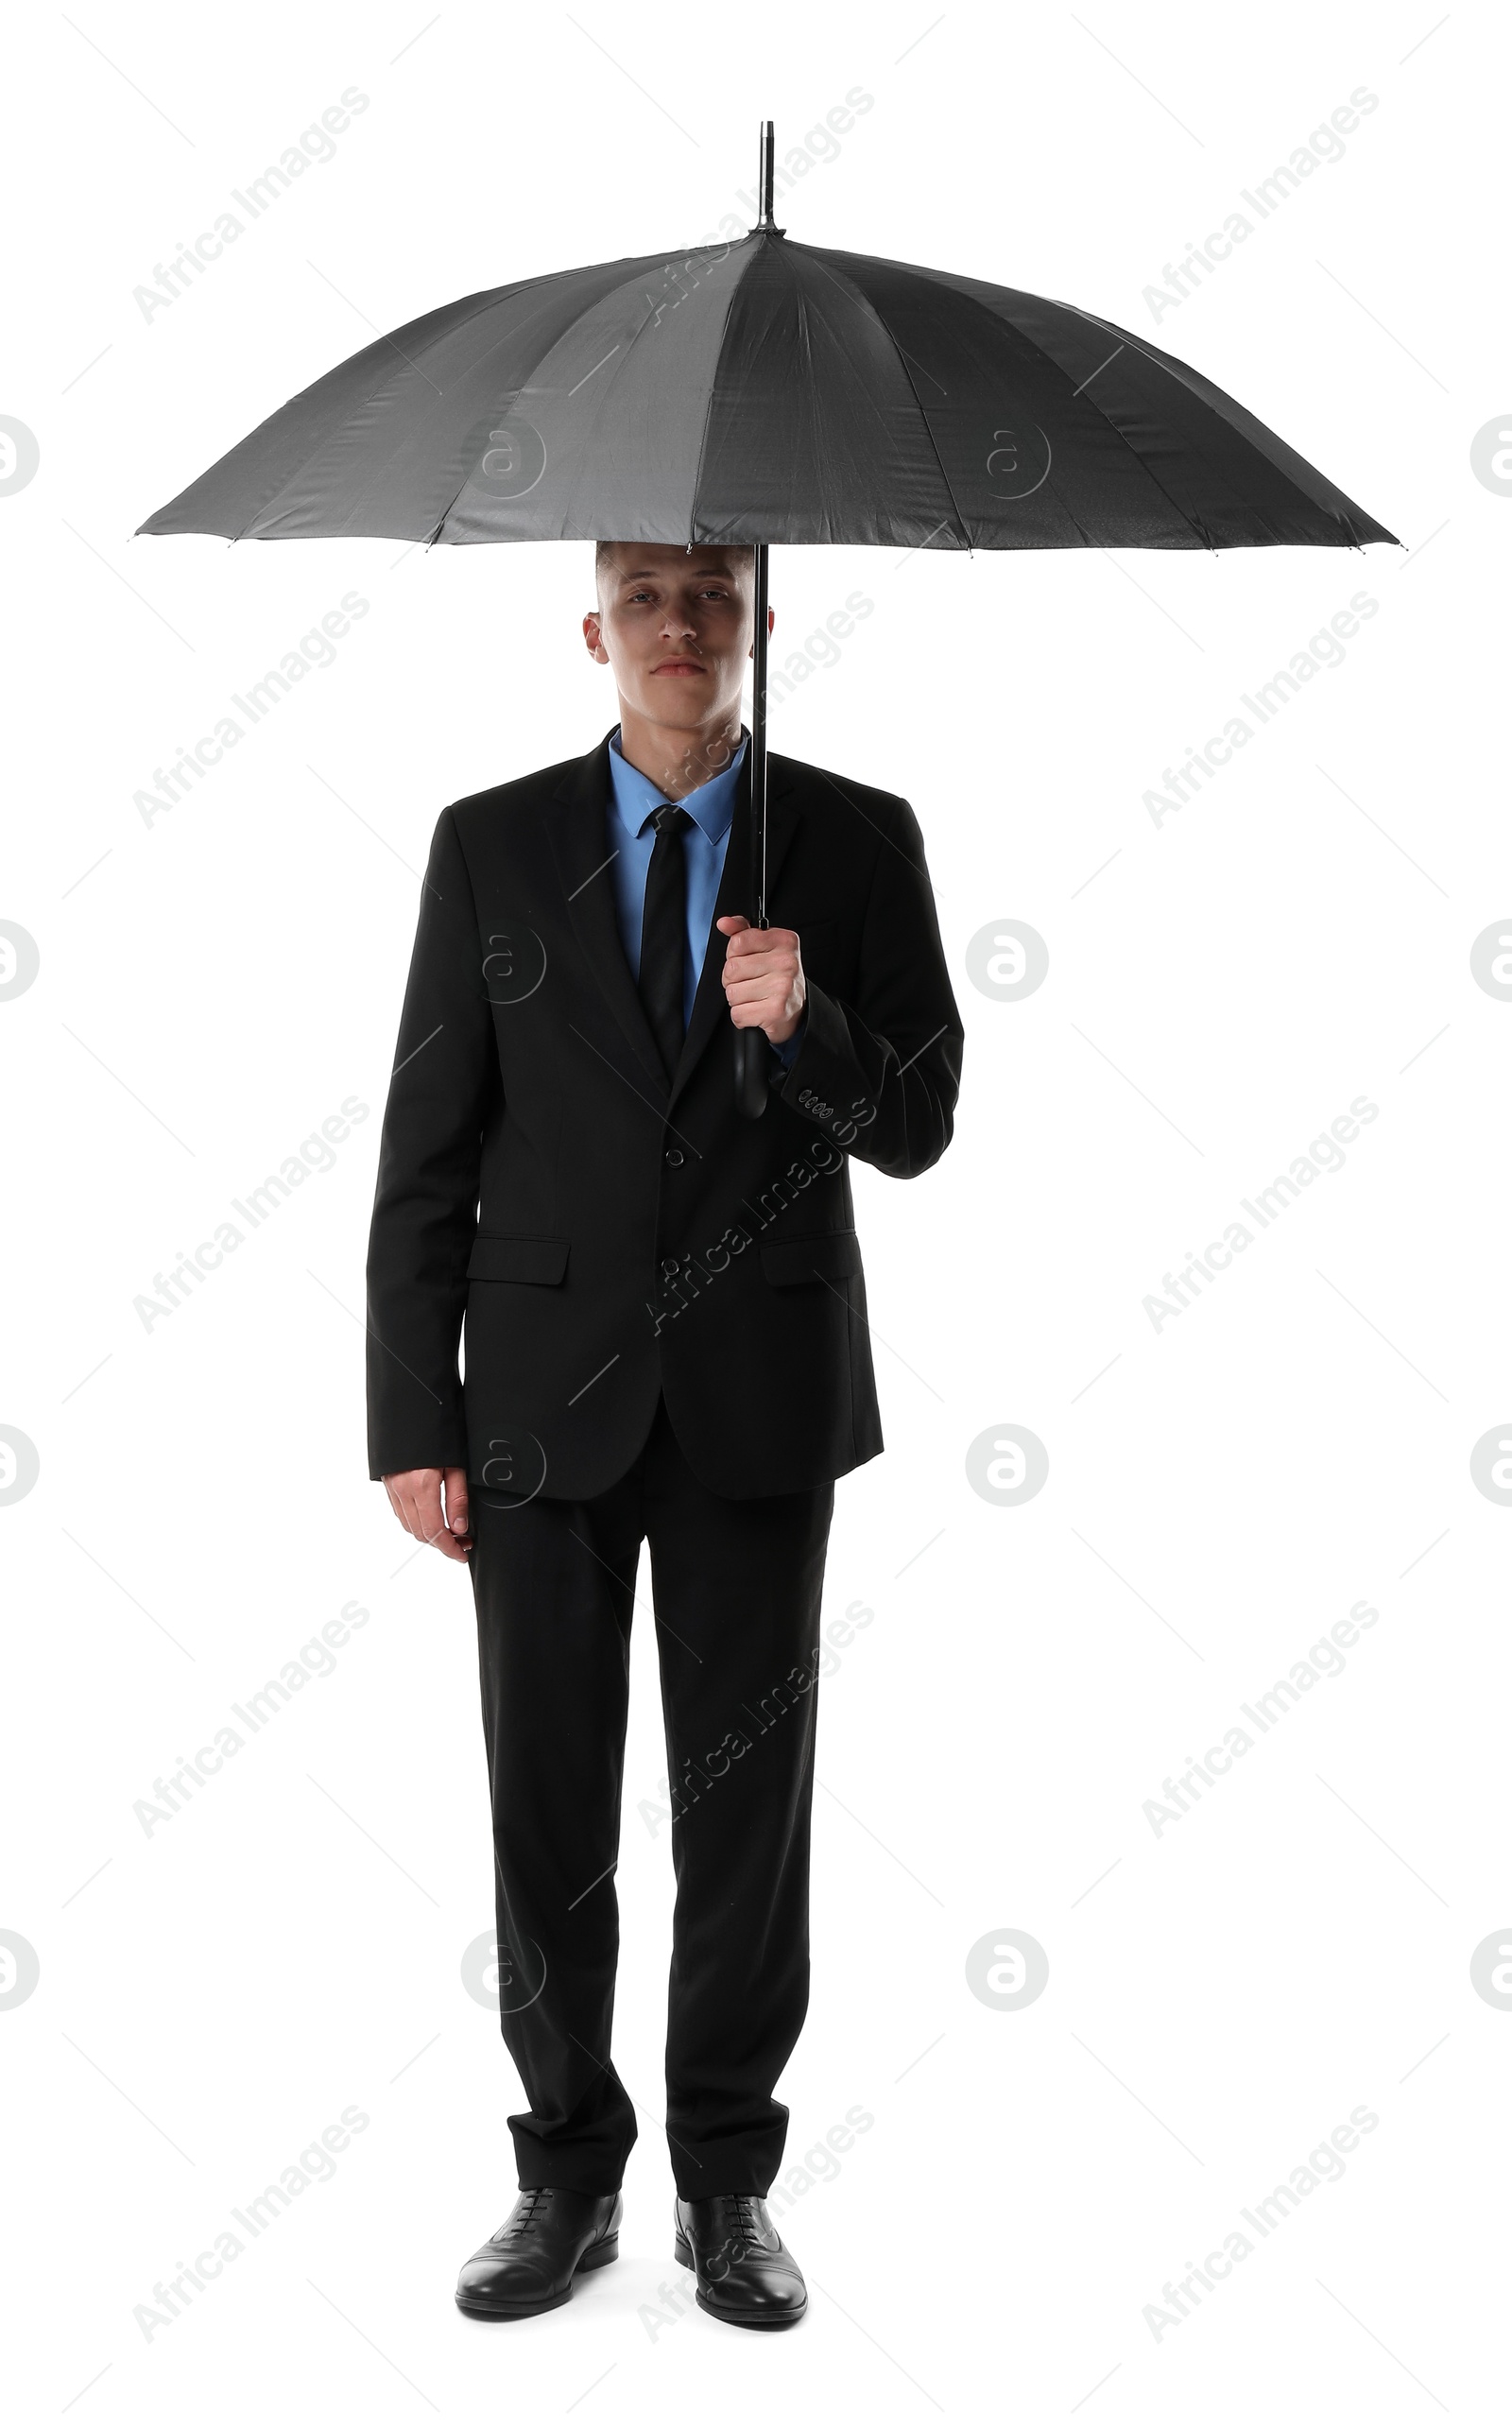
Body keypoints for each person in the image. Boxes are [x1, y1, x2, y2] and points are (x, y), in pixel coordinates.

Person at [365, 541, 963, 2328]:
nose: (681, 625)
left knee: (743, 1805)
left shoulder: (856, 841)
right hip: (535, 1405)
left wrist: (817, 1021)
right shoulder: (491, 840)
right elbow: (427, 1151)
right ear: (594, 629)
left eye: (711, 590)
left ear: (759, 616)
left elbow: (923, 1119)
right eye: (646, 595)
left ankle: (725, 2182)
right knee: (543, 1800)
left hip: (758, 1405)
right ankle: (563, 2172)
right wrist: (414, 1416)